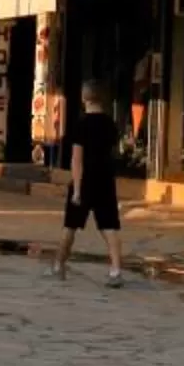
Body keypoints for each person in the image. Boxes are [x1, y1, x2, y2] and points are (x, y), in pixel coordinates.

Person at [55, 81, 128, 286]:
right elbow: (113, 153)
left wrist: (77, 190)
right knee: (109, 226)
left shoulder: (81, 125)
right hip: (105, 180)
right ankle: (116, 270)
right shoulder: (110, 124)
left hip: (85, 179)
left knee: (70, 226)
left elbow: (77, 159)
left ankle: (59, 266)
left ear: (84, 98)